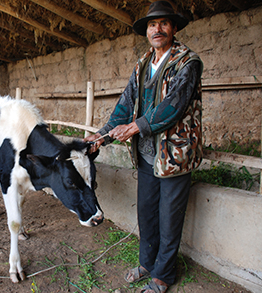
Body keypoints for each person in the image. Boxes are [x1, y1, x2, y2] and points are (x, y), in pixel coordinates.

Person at [84, 2, 203, 292]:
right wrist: (101, 136)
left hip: (174, 156)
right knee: (147, 213)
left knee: (169, 218)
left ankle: (163, 275)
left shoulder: (188, 62)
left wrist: (136, 126)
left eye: (164, 23)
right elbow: (124, 108)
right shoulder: (141, 66)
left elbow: (173, 107)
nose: (157, 29)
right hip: (147, 155)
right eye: (152, 24)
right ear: (146, 31)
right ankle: (147, 263)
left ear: (174, 28)